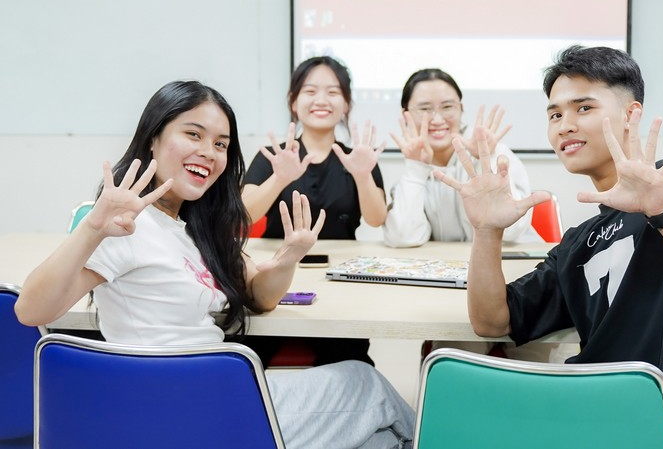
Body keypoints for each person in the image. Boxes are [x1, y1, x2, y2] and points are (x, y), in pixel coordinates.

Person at [15, 81, 414, 449]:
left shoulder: (195, 228)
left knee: (378, 440)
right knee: (369, 386)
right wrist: (92, 229)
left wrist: (288, 257)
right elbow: (31, 310)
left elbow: (261, 296)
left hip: (209, 396)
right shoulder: (125, 222)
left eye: (221, 144)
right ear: (153, 138)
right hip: (187, 408)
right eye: (193, 134)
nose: (209, 151)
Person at [434, 46, 663, 449]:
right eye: (554, 115)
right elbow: (492, 322)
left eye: (584, 108)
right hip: (583, 417)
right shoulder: (579, 243)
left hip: (656, 429)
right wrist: (487, 231)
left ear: (631, 115)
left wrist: (661, 211)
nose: (565, 126)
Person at [242, 56, 386, 366]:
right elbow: (245, 214)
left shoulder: (358, 157)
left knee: (351, 363)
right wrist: (279, 177)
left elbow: (377, 219)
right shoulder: (276, 156)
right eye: (310, 91)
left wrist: (362, 175)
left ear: (346, 104)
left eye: (333, 92)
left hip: (340, 281)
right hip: (276, 276)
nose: (321, 100)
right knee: (246, 359)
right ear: (294, 102)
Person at [383, 68, 539, 247]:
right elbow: (404, 238)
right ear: (406, 115)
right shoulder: (413, 168)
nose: (437, 119)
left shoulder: (490, 150)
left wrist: (485, 160)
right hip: (451, 263)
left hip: (511, 259)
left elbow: (511, 231)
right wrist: (416, 169)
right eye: (425, 109)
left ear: (461, 108)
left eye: (447, 107)